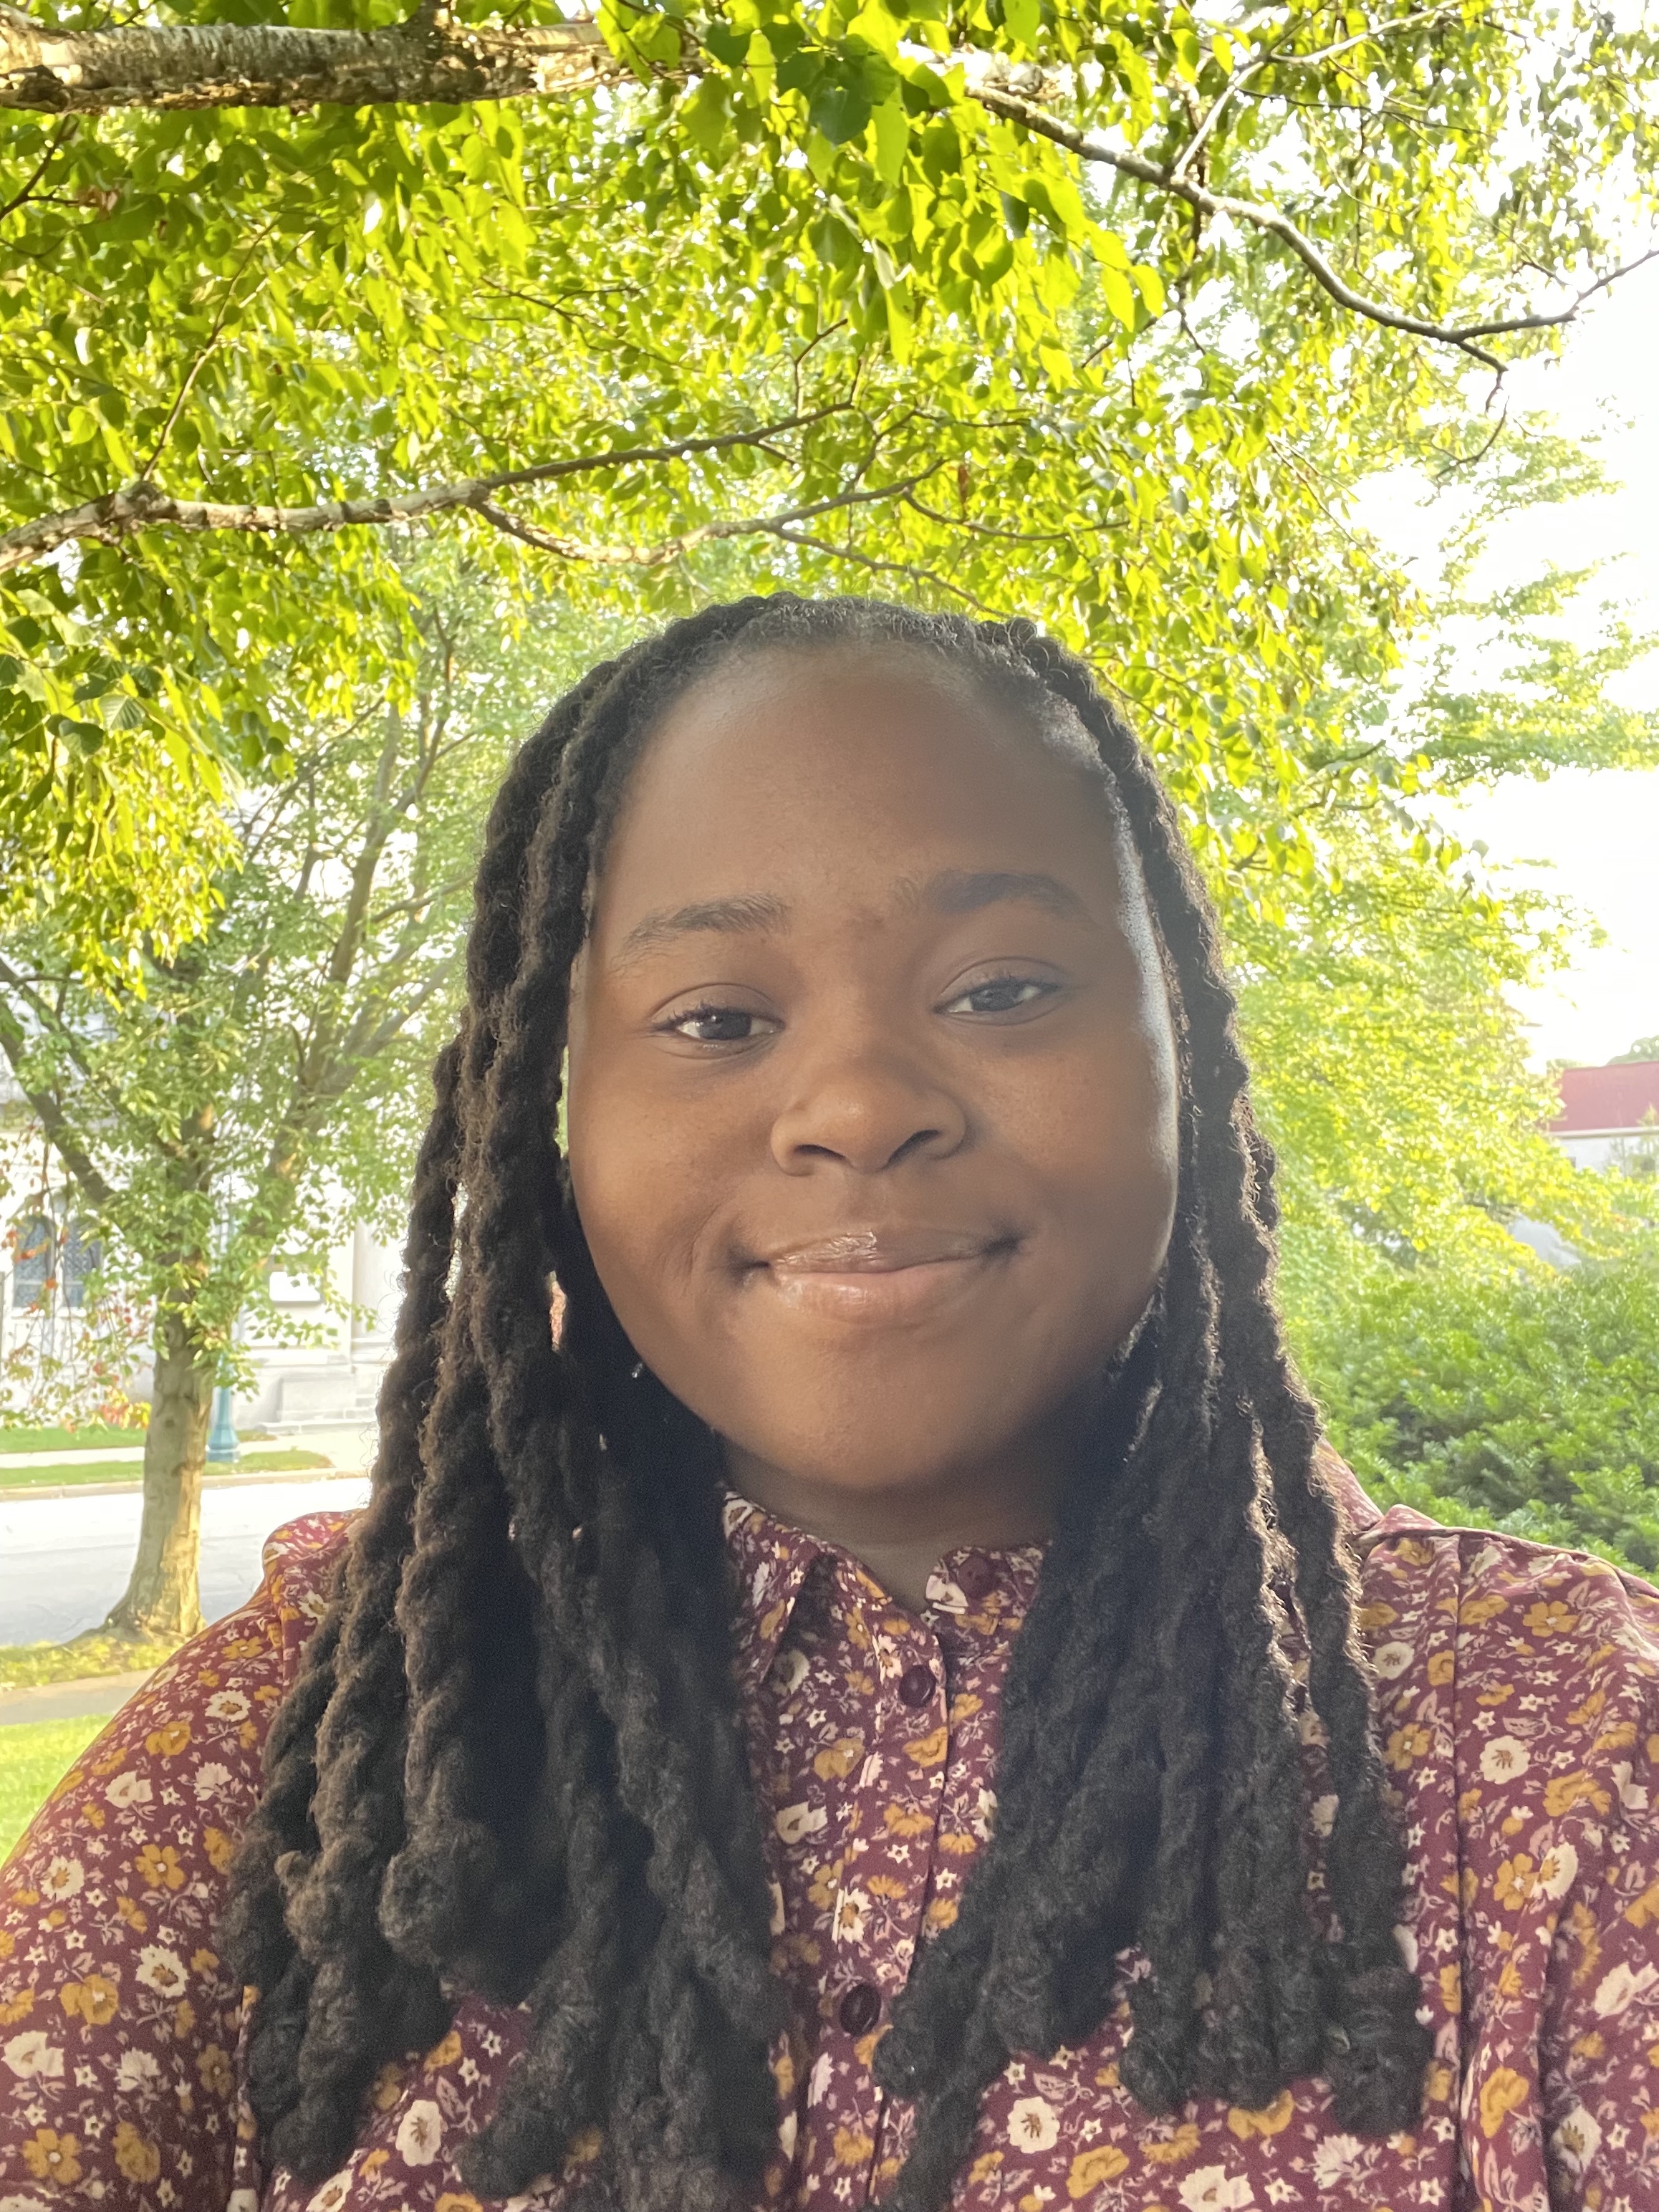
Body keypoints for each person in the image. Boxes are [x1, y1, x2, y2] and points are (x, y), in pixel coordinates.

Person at [3, 595, 1657, 2212]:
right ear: (551, 1126)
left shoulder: (1574, 1756)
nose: (859, 1105)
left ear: (1193, 1062)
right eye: (716, 1017)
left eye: (1003, 986)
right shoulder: (281, 1755)